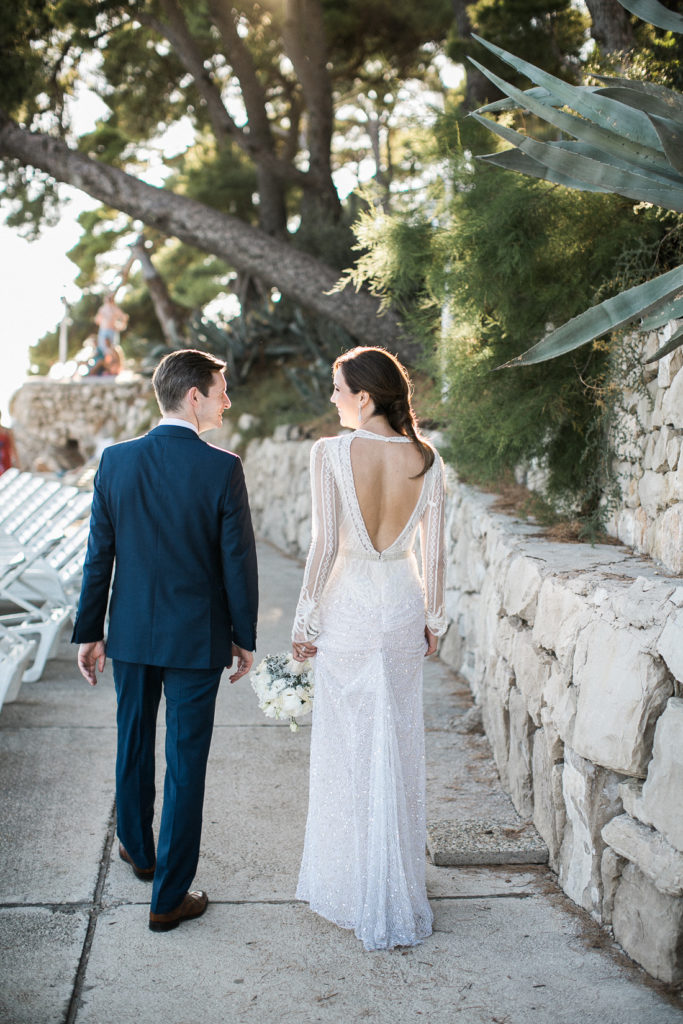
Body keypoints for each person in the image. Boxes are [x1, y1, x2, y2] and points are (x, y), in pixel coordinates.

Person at [72, 349, 258, 932]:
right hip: (196, 640)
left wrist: (89, 631)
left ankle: (137, 848)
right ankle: (168, 896)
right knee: (185, 763)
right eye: (221, 389)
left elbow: (98, 553)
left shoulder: (116, 462)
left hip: (128, 634)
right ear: (194, 396)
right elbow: (238, 562)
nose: (228, 399)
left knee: (131, 739)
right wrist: (243, 635)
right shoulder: (221, 467)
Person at [291, 346, 447, 951]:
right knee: (398, 743)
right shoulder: (429, 460)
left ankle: (355, 885)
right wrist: (435, 618)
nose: (332, 398)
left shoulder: (330, 452)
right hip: (402, 605)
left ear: (364, 395)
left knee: (349, 745)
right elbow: (433, 553)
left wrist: (305, 617)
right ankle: (397, 885)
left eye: (337, 388)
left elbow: (326, 542)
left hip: (350, 606)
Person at [91, 293, 128, 375]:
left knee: (112, 349)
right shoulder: (103, 309)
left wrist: (120, 326)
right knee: (104, 350)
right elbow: (97, 320)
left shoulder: (115, 309)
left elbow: (124, 317)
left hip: (111, 330)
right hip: (103, 330)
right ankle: (108, 369)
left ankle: (115, 368)